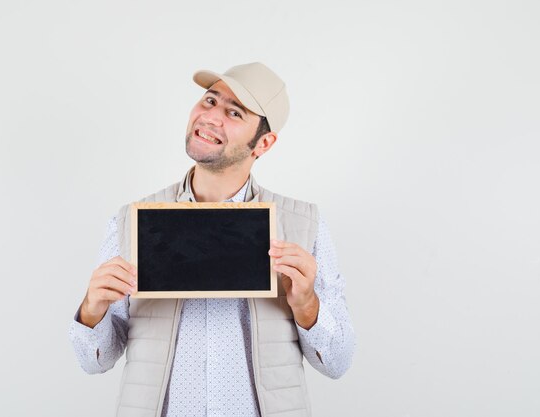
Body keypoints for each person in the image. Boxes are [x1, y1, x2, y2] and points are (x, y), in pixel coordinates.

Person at [69, 62, 356, 417]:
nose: (211, 117)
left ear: (263, 143)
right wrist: (91, 310)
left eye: (234, 112)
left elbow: (338, 362)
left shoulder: (303, 225)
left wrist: (306, 304)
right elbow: (94, 362)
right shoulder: (132, 220)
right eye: (209, 101)